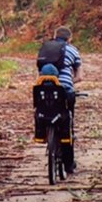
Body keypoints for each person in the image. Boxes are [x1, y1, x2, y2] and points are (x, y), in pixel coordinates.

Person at [36, 26, 81, 174]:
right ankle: (68, 165)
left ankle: (43, 133)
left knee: (43, 110)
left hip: (44, 88)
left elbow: (39, 71)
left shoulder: (45, 49)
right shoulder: (73, 50)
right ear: (70, 38)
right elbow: (79, 76)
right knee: (67, 122)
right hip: (64, 91)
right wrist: (69, 82)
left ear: (55, 36)